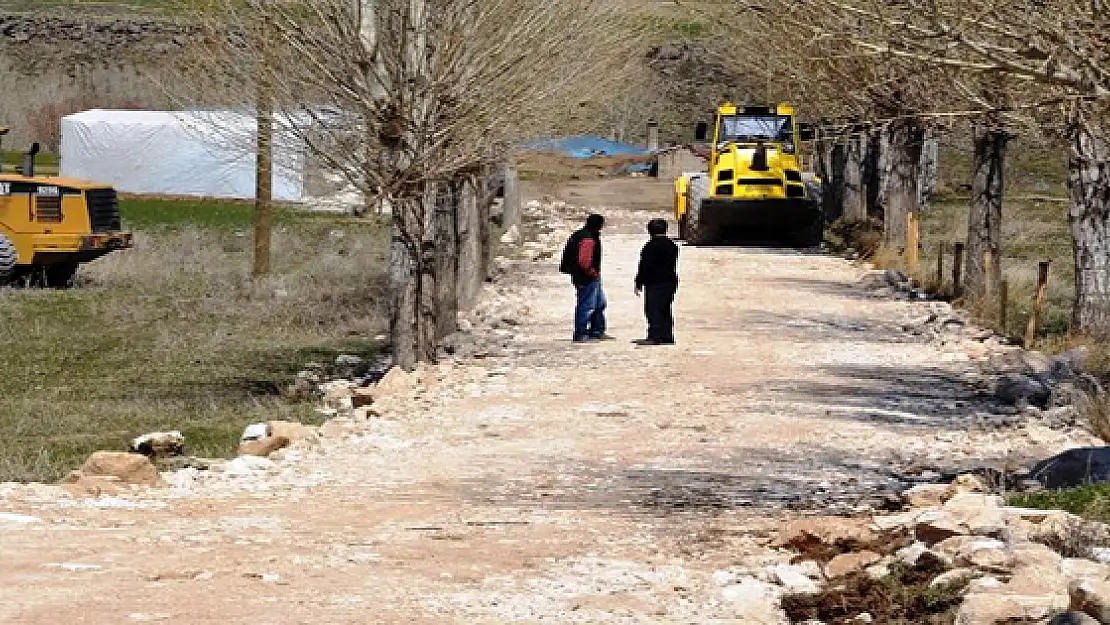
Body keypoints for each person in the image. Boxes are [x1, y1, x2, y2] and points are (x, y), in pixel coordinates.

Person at [559, 213, 611, 342]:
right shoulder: (588, 238)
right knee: (587, 306)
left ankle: (597, 331)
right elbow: (584, 261)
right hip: (586, 277)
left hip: (588, 276)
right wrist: (592, 273)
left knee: (599, 303)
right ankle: (581, 334)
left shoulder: (582, 234)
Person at [634, 218, 679, 345]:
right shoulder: (672, 245)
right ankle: (667, 336)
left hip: (655, 282)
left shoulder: (650, 246)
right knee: (665, 309)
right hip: (669, 281)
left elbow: (644, 266)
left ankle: (654, 336)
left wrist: (639, 282)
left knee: (653, 309)